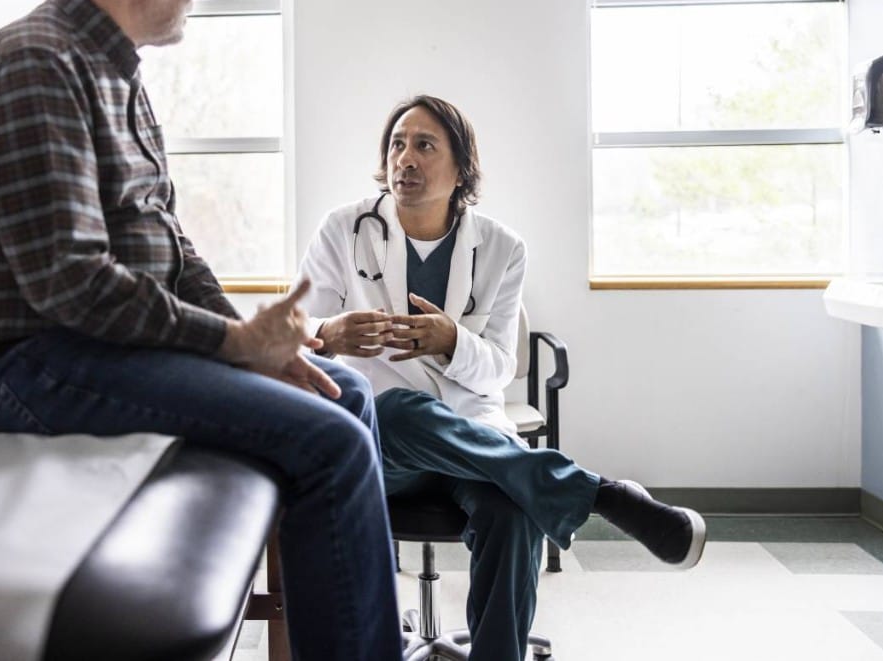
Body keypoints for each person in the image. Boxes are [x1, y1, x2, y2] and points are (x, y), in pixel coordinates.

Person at [0, 0, 401, 661]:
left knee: (345, 395)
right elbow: (71, 282)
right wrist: (232, 345)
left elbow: (171, 250)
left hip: (91, 349)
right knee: (334, 445)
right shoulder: (35, 66)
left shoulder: (117, 77)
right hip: (25, 366)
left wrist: (256, 337)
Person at [298, 94, 707, 661]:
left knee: (514, 510)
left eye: (424, 145)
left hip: (473, 437)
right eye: (397, 144)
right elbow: (299, 329)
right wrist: (328, 332)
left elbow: (500, 365)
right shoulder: (343, 230)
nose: (405, 159)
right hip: (385, 448)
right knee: (393, 407)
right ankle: (601, 495)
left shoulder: (502, 248)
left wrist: (451, 341)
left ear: (461, 167)